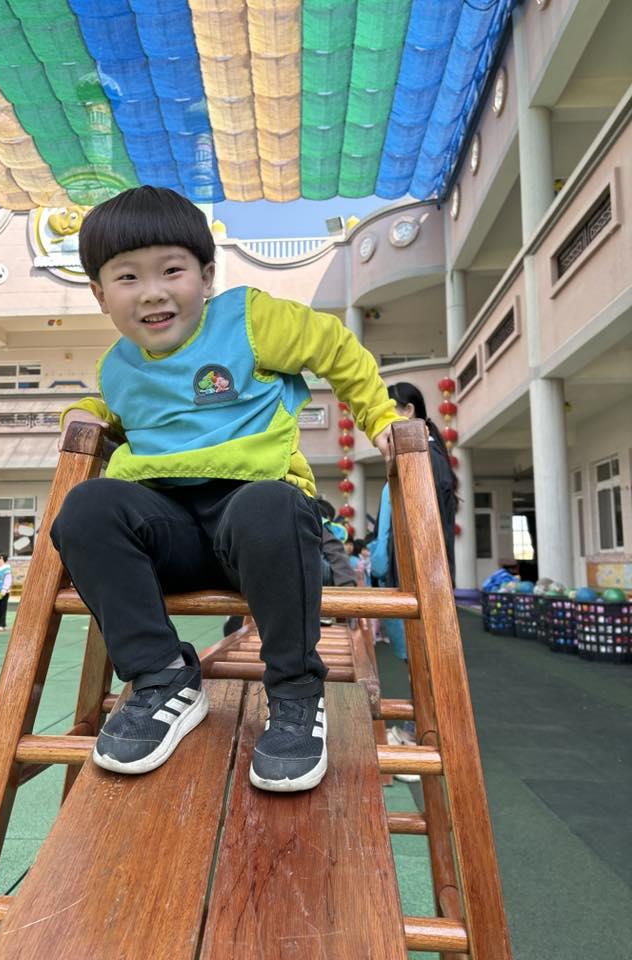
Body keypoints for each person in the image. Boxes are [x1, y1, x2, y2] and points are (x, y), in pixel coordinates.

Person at [50, 185, 401, 793]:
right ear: (100, 294)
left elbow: (337, 349)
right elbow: (119, 412)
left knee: (271, 506)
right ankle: (162, 676)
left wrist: (381, 418)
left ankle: (295, 692)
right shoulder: (117, 365)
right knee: (85, 507)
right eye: (128, 277)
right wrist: (86, 412)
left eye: (172, 270)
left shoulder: (250, 321)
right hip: (170, 532)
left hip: (256, 522)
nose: (153, 291)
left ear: (207, 275)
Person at [369, 381, 457, 758]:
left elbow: (415, 524)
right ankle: (423, 730)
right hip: (422, 569)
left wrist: (387, 567)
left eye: (388, 408)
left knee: (422, 658)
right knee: (420, 657)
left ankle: (422, 733)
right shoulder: (427, 453)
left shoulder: (422, 457)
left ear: (408, 411)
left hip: (419, 571)